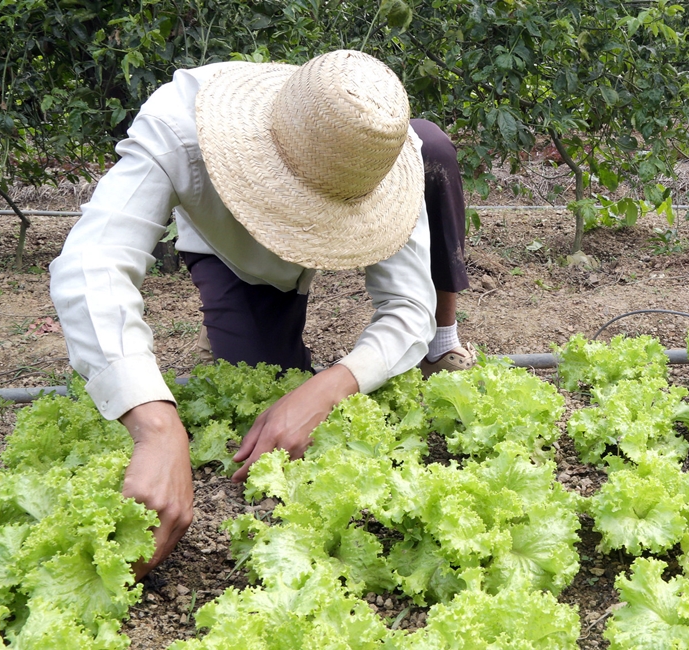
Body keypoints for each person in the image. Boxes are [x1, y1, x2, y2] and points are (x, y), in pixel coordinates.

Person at [49, 50, 473, 577]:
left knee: (434, 144)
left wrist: (329, 387)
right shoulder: (179, 126)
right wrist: (156, 425)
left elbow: (409, 308)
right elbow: (93, 263)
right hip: (233, 252)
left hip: (393, 168)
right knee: (265, 381)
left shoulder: (386, 158)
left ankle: (446, 342)